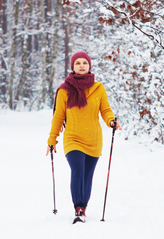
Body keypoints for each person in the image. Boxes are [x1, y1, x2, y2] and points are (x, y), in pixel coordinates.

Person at [46, 51, 122, 224]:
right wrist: (52, 138)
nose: (81, 65)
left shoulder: (98, 88)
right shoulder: (65, 90)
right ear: (72, 67)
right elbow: (58, 117)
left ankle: (84, 207)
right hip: (72, 138)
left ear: (89, 66)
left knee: (87, 176)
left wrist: (111, 121)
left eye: (84, 63)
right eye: (78, 63)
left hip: (93, 139)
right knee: (78, 170)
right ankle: (78, 208)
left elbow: (105, 110)